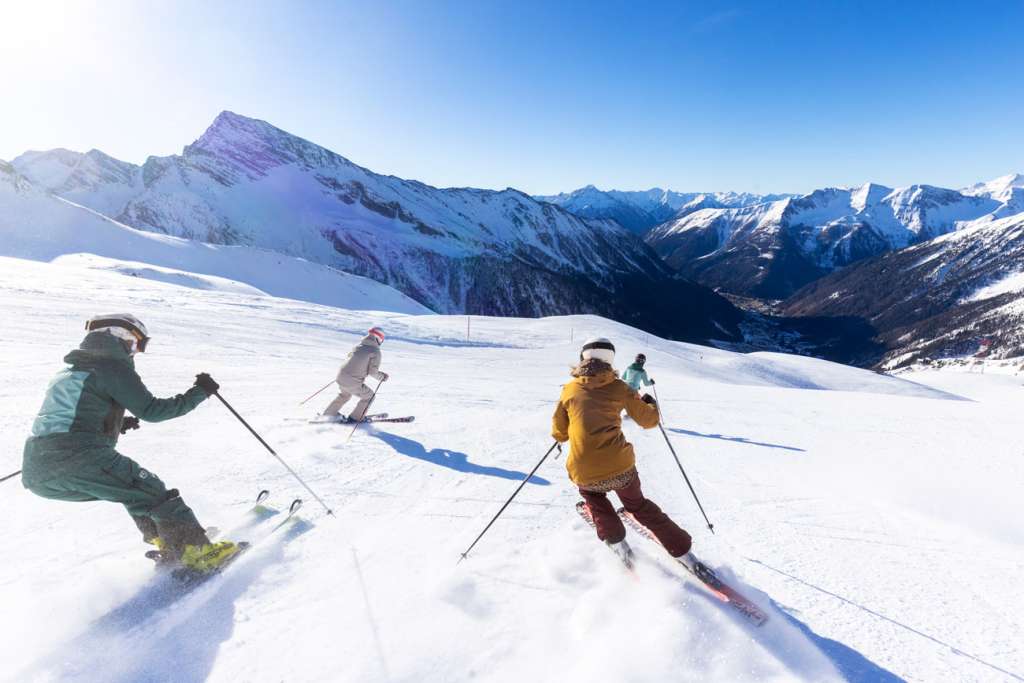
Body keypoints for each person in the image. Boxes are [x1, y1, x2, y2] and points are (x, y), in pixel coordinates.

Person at [21, 314, 241, 573]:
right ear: (119, 336)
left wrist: (114, 423)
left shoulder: (71, 370)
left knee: (133, 491)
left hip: (37, 470)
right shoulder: (111, 366)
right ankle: (196, 552)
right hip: (78, 456)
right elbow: (153, 411)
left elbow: (70, 414)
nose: (136, 351)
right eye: (137, 343)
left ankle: (168, 541)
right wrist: (200, 392)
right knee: (151, 489)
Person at [552, 337, 699, 569]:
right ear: (610, 360)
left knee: (595, 500)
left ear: (583, 358)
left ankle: (617, 543)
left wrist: (566, 432)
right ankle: (683, 552)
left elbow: (560, 432)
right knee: (637, 505)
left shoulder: (569, 390)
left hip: (585, 472)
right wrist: (650, 404)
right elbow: (649, 421)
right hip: (621, 468)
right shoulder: (620, 388)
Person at [322, 327, 389, 422]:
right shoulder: (375, 351)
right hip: (352, 380)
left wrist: (345, 374)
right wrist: (382, 377)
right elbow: (372, 372)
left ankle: (329, 414)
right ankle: (355, 418)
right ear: (379, 338)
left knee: (344, 395)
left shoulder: (358, 346)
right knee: (369, 396)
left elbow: (350, 360)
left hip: (341, 376)